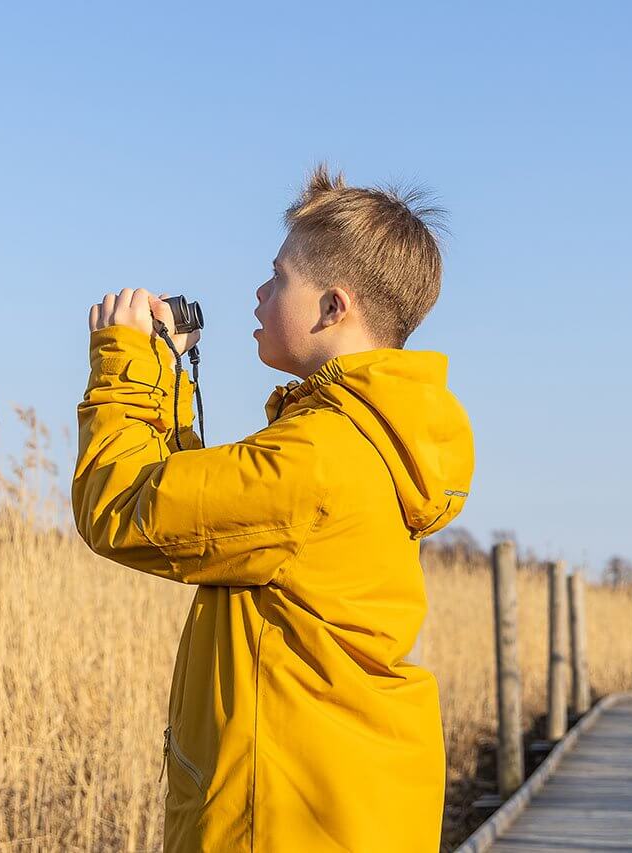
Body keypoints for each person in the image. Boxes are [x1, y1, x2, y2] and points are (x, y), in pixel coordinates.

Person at [72, 162, 475, 851]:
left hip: (282, 822)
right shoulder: (363, 440)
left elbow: (120, 507)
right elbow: (204, 515)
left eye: (278, 276)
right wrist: (168, 374)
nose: (259, 293)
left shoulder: (314, 459)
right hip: (338, 808)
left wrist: (123, 360)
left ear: (332, 307)